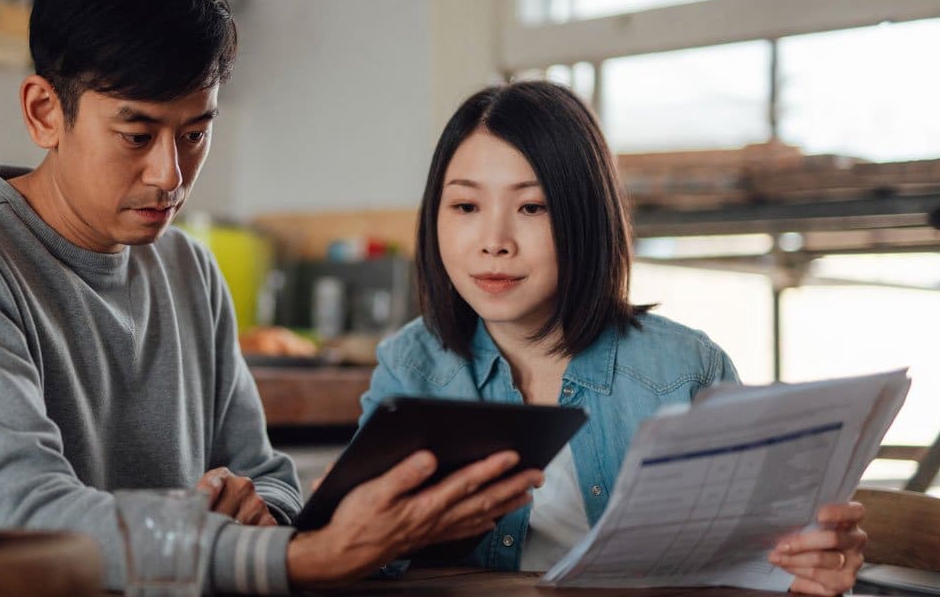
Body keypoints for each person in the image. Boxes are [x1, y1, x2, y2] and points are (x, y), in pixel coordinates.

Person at [0, 0, 541, 593]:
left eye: (195, 133)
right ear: (43, 112)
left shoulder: (188, 269)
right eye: (137, 134)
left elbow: (266, 475)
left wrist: (262, 511)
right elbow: (11, 514)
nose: (171, 174)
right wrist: (288, 558)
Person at [357, 81, 867, 596]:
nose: (494, 243)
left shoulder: (686, 371)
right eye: (466, 207)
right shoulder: (410, 366)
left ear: (587, 216)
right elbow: (359, 557)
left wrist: (806, 572)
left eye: (533, 207)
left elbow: (759, 561)